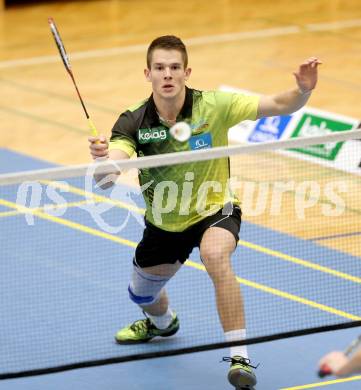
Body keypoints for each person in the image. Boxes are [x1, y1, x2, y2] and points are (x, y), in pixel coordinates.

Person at [88, 35, 321, 389]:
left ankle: (240, 358)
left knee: (215, 256)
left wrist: (302, 91)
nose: (168, 74)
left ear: (187, 72)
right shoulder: (133, 121)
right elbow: (108, 177)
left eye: (175, 67)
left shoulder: (213, 106)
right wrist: (102, 161)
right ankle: (163, 323)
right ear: (147, 73)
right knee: (142, 295)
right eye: (160, 68)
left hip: (216, 210)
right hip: (165, 225)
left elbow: (277, 103)